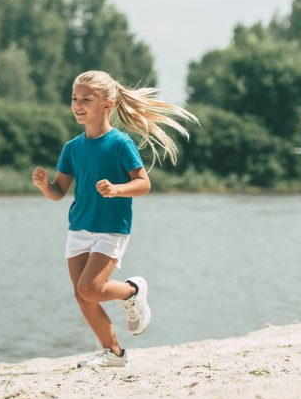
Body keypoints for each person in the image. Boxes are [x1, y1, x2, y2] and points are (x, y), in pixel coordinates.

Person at [31, 70, 197, 368]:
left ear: (107, 105)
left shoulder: (120, 144)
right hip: (79, 228)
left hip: (111, 228)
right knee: (83, 297)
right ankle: (114, 353)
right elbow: (59, 192)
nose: (77, 105)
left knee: (91, 288)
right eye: (74, 99)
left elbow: (144, 184)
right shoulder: (72, 148)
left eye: (86, 99)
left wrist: (117, 189)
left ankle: (133, 291)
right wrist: (45, 186)